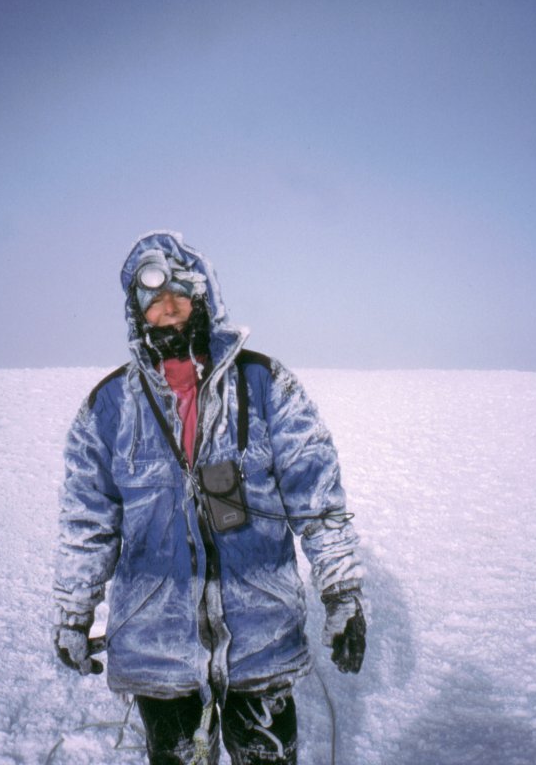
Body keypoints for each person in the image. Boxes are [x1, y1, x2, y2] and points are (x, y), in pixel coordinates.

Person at [53, 231, 366, 765]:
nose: (169, 311)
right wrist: (73, 612)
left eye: (180, 296)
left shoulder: (266, 386)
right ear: (137, 315)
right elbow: (88, 523)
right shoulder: (107, 409)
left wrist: (342, 593)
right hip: (157, 648)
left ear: (204, 300)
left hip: (261, 639)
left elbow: (318, 499)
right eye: (154, 303)